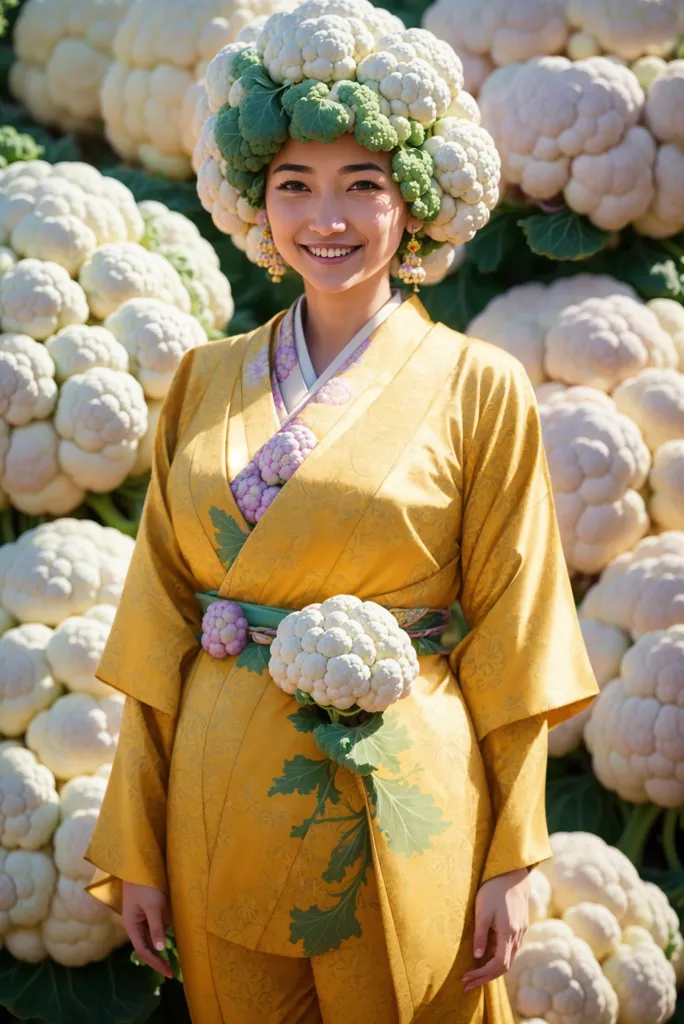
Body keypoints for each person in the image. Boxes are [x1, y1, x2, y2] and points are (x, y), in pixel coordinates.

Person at [85, 6, 599, 1022]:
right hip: (218, 790)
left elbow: (516, 635)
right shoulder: (203, 377)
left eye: (361, 185)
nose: (328, 216)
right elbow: (156, 625)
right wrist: (135, 843)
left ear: (410, 202)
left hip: (407, 786)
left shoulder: (481, 386)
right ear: (258, 207)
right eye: (294, 186)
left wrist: (515, 854)